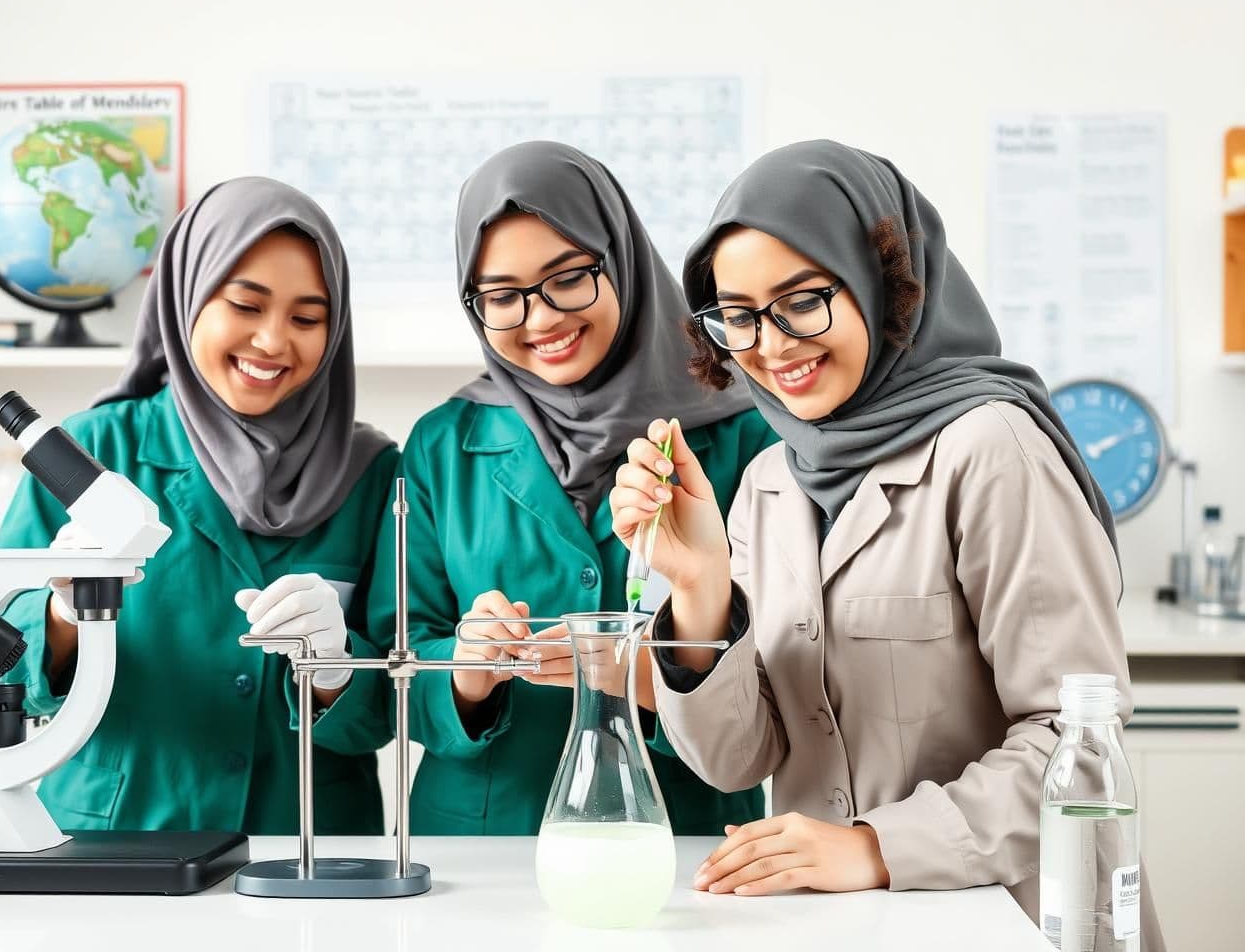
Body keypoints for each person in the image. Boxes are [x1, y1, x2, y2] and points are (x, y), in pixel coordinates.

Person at [608, 139, 1164, 947]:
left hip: (1013, 915)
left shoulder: (991, 447)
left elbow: (1077, 742)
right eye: (738, 316)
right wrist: (699, 589)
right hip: (842, 922)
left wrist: (875, 847)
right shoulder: (772, 479)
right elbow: (740, 760)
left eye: (802, 299)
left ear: (886, 287)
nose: (771, 343)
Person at [367, 141, 777, 834]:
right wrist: (466, 670)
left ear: (621, 259)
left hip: (682, 835)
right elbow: (390, 664)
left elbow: (788, 674)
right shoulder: (443, 443)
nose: (541, 318)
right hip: (482, 845)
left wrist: (637, 676)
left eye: (569, 277)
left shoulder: (747, 436)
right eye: (503, 296)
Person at [0, 177, 397, 834]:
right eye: (245, 305)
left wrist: (336, 666)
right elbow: (3, 662)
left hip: (306, 844)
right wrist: (63, 610)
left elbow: (389, 711)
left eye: (306, 318)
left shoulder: (374, 473)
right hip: (118, 833)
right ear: (185, 301)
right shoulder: (95, 449)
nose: (272, 342)